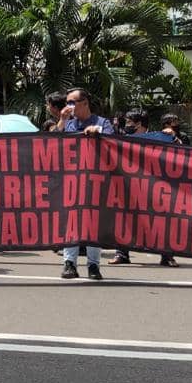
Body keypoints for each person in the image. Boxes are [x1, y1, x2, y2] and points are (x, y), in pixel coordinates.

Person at [111, 110, 178, 267]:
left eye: (129, 123)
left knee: (160, 220)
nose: (126, 126)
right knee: (125, 218)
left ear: (139, 124)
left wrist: (171, 136)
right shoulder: (123, 139)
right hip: (130, 184)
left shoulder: (161, 137)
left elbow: (179, 152)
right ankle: (122, 254)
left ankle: (167, 255)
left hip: (155, 185)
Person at [60, 88, 112, 280]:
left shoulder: (102, 122)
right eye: (67, 103)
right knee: (72, 222)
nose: (69, 107)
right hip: (72, 181)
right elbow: (54, 140)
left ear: (85, 103)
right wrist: (62, 120)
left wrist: (96, 132)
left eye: (72, 103)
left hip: (95, 182)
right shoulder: (69, 124)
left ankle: (93, 265)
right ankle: (69, 263)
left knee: (93, 223)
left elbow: (111, 139)